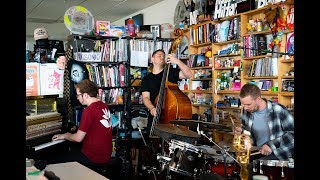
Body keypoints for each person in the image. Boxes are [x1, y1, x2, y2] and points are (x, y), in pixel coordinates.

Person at [234, 83, 294, 178]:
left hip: (279, 153)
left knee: (252, 168)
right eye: (243, 104)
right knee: (237, 164)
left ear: (258, 99)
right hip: (258, 152)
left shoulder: (278, 110)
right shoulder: (247, 111)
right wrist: (242, 133)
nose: (245, 107)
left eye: (248, 104)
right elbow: (251, 135)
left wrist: (271, 145)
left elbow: (292, 134)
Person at [51, 79, 113, 169]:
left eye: (78, 95)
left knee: (55, 161)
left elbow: (78, 138)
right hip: (105, 155)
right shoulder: (103, 105)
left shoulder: (89, 110)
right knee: (73, 151)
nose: (77, 98)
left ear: (85, 95)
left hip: (93, 157)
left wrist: (65, 135)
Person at [140, 49, 192, 135]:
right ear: (152, 59)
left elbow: (188, 74)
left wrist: (178, 62)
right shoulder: (147, 79)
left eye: (163, 56)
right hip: (155, 117)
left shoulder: (170, 72)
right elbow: (145, 98)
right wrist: (152, 108)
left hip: (171, 119)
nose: (162, 57)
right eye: (159, 56)